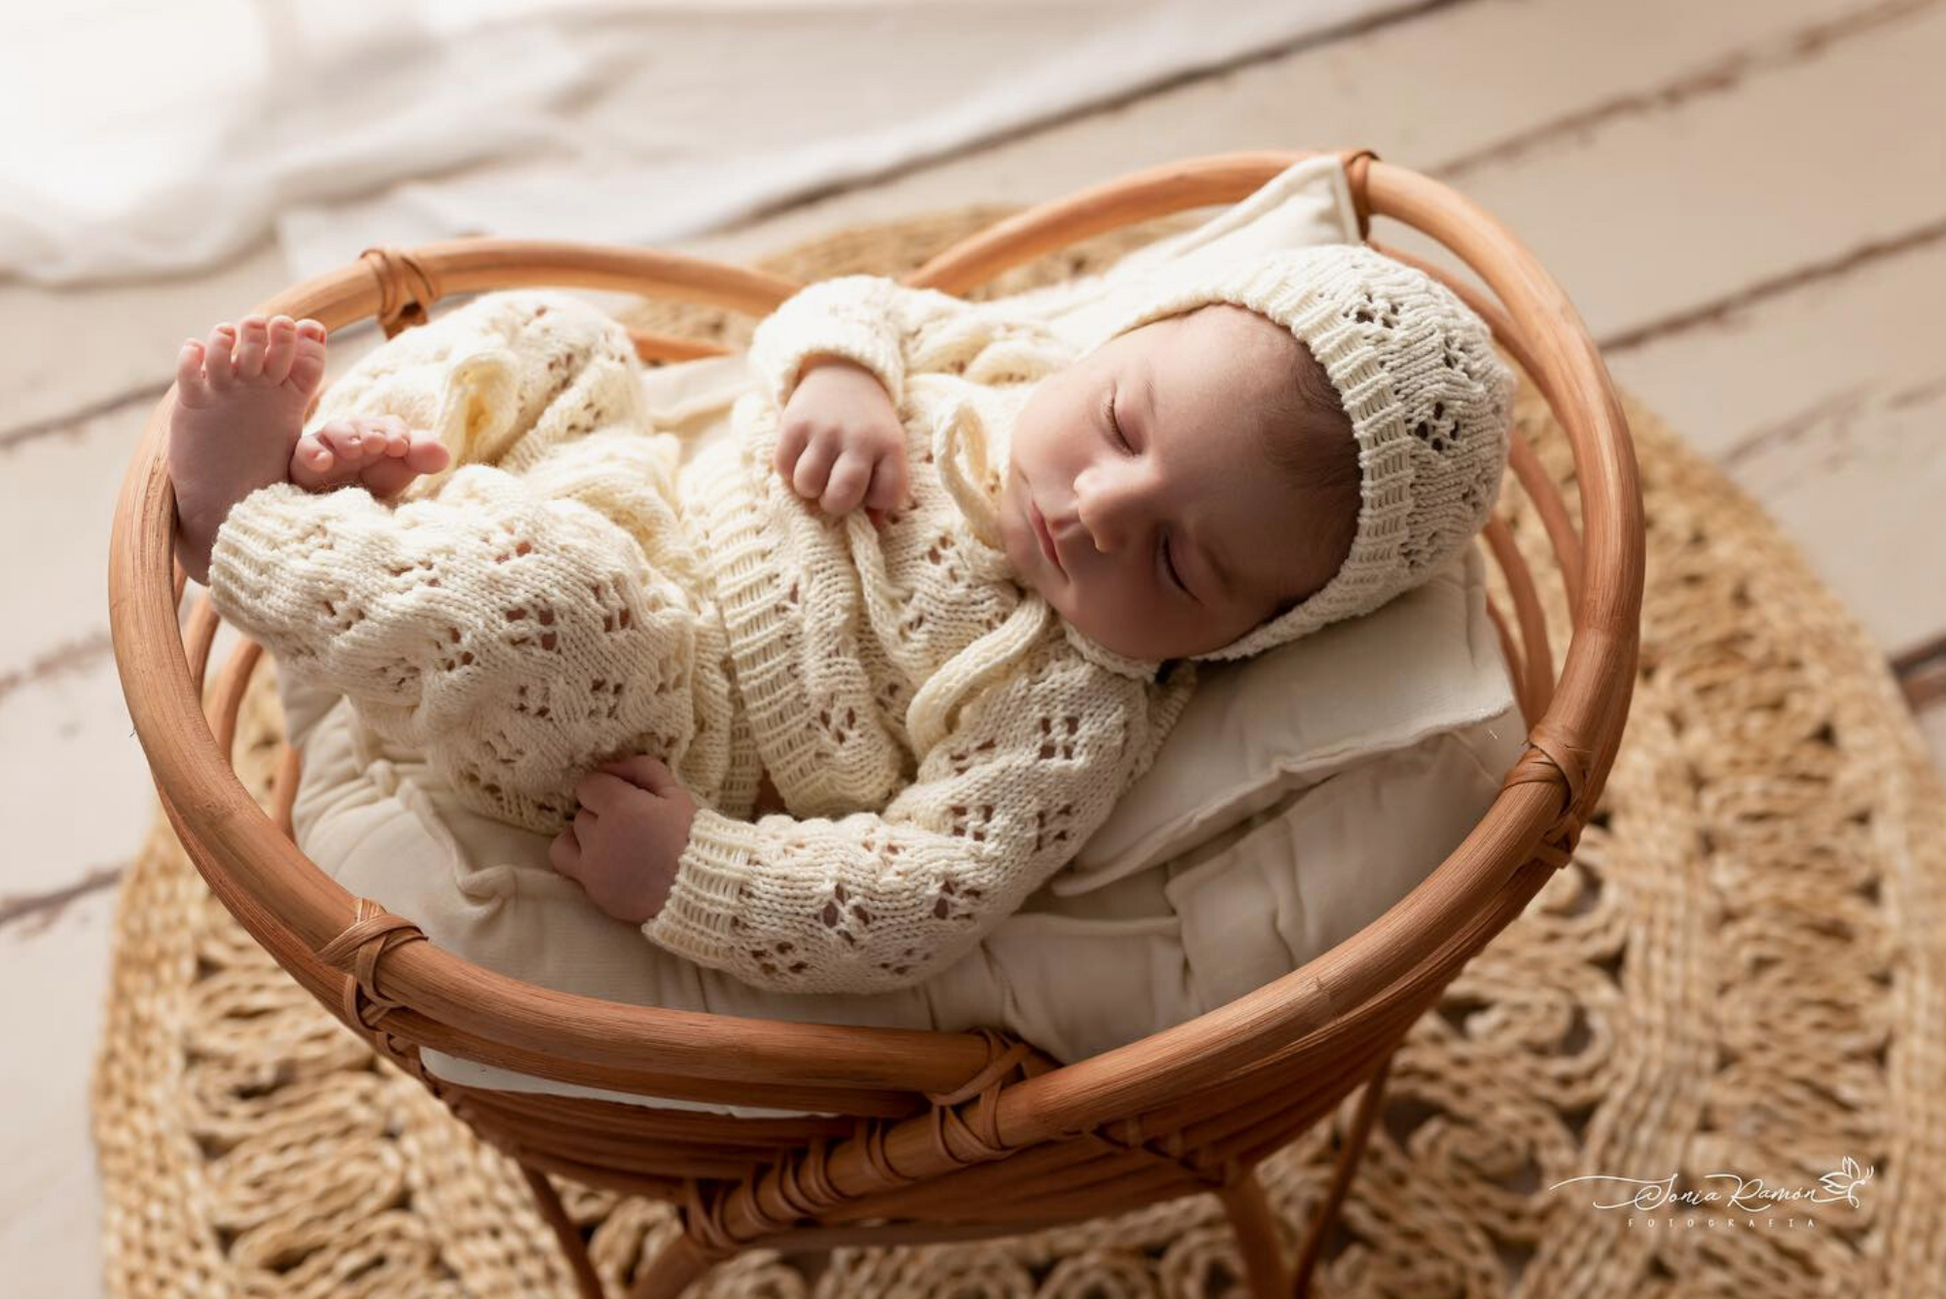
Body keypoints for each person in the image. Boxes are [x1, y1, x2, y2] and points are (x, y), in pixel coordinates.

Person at [166, 243, 1515, 996]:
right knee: (566, 336)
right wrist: (840, 369)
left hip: (650, 719)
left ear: (1240, 640)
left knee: (554, 608)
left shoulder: (1074, 703)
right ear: (1114, 345)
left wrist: (688, 869)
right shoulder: (998, 362)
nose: (1104, 506)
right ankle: (382, 460)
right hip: (640, 491)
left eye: (1175, 562)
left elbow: (917, 895)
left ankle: (249, 527)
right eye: (1120, 424)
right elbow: (860, 298)